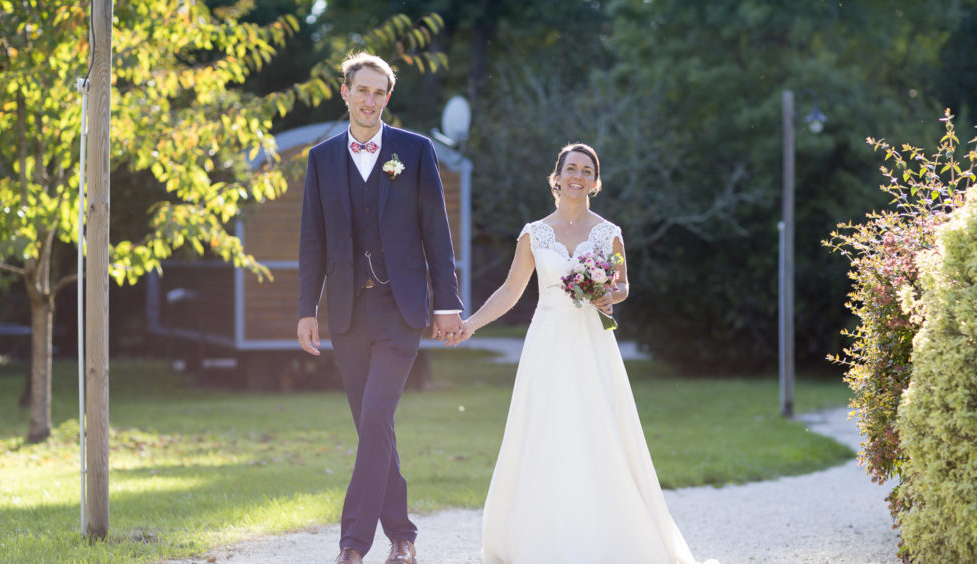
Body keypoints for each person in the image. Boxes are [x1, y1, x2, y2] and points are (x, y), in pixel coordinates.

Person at [463, 143, 708, 563]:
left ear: (596, 182)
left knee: (600, 429)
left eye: (587, 170)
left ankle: (608, 535)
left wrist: (611, 295)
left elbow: (623, 284)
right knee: (544, 431)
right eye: (570, 168)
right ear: (555, 177)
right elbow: (510, 291)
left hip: (593, 344)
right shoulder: (534, 233)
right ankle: (539, 538)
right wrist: (469, 325)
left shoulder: (607, 232)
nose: (578, 175)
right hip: (548, 342)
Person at [296, 52, 468, 564]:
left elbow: (436, 232)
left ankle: (352, 545)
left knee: (374, 418)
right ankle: (403, 535)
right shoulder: (321, 159)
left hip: (402, 310)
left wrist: (449, 304)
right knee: (374, 427)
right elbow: (312, 240)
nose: (369, 100)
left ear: (387, 98)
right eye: (361, 90)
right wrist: (307, 308)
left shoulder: (414, 152)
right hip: (348, 314)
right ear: (344, 93)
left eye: (379, 92)